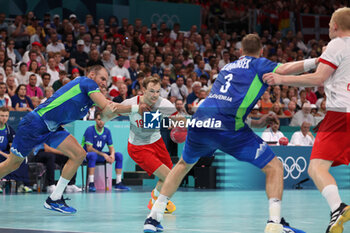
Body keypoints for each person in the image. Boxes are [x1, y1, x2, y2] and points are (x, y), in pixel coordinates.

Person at [144, 34, 312, 233]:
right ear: (261, 52)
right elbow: (285, 69)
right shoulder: (258, 64)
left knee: (182, 165)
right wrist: (317, 60)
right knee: (274, 166)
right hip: (227, 125)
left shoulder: (227, 67)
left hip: (201, 118)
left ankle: (153, 218)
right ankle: (275, 223)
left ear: (240, 52)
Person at [0, 65, 148, 214]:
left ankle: (55, 198)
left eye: (106, 80)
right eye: (102, 78)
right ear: (91, 75)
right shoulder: (86, 82)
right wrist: (136, 107)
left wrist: (133, 107)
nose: (104, 83)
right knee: (12, 164)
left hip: (53, 128)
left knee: (79, 154)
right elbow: (108, 107)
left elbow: (107, 113)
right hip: (36, 123)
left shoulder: (89, 100)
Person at [263, 8, 350, 232]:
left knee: (316, 167)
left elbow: (318, 78)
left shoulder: (337, 44)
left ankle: (338, 208)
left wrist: (281, 78)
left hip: (340, 113)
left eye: (330, 23)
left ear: (335, 26)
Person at [121, 76, 185, 215]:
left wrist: (179, 125)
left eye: (157, 91)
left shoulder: (164, 104)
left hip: (157, 143)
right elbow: (113, 110)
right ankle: (158, 206)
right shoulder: (131, 102)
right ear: (143, 90)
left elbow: (180, 119)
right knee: (170, 176)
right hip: (138, 147)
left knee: (169, 174)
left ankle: (155, 196)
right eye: (151, 91)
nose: (155, 95)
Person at [82, 111, 130, 191]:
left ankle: (118, 183)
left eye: (103, 120)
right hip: (86, 155)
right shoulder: (90, 130)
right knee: (93, 155)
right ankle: (91, 183)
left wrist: (112, 155)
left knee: (119, 155)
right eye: (99, 119)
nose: (101, 122)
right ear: (95, 120)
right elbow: (89, 148)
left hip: (98, 155)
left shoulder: (107, 131)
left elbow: (111, 147)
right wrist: (104, 155)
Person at [0, 107, 32, 193]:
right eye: (2, 115)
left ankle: (21, 184)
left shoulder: (9, 129)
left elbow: (12, 145)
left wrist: (12, 155)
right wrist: (6, 155)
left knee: (20, 159)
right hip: (2, 154)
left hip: (5, 153)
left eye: (6, 116)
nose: (4, 118)